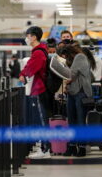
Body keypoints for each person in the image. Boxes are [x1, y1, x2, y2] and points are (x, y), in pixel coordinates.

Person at [50, 45, 93, 156]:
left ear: (68, 53)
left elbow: (71, 75)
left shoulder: (80, 57)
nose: (64, 58)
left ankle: (82, 147)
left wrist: (58, 66)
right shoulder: (74, 59)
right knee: (72, 121)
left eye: (63, 55)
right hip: (73, 92)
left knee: (80, 121)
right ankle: (72, 146)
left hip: (81, 93)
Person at [19, 26, 51, 159]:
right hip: (38, 87)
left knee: (41, 119)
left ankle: (45, 150)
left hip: (39, 88)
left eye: (28, 36)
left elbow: (32, 66)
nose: (26, 38)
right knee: (40, 118)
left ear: (34, 36)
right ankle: (43, 148)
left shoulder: (38, 52)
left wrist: (23, 74)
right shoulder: (39, 51)